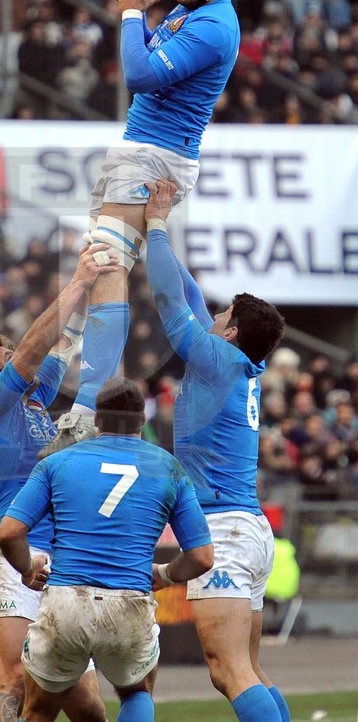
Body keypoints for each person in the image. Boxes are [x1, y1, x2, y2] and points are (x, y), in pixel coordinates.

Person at [39, 0, 240, 456]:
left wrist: (132, 13)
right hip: (138, 146)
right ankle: (219, 340)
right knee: (94, 259)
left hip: (158, 156)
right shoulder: (186, 8)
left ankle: (84, 410)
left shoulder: (215, 28)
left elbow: (140, 74)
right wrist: (143, 12)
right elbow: (150, 56)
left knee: (105, 262)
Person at [142, 179, 289, 722]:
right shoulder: (237, 362)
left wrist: (155, 225)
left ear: (228, 334)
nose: (213, 318)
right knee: (250, 669)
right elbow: (193, 296)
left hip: (223, 526)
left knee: (228, 671)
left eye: (223, 318)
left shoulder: (213, 359)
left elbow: (168, 299)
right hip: (247, 526)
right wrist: (156, 237)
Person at [0, 243, 117, 722]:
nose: (25, 355)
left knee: (84, 700)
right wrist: (78, 281)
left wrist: (110, 268)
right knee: (13, 682)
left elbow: (61, 342)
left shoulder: (34, 401)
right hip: (3, 548)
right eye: (9, 357)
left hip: (54, 555)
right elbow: (31, 350)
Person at [0, 376, 214, 722]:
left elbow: (9, 533)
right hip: (129, 598)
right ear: (142, 421)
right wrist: (166, 573)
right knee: (137, 692)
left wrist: (27, 569)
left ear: (96, 420)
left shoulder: (57, 463)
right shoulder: (169, 467)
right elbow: (202, 556)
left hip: (66, 601)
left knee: (39, 709)